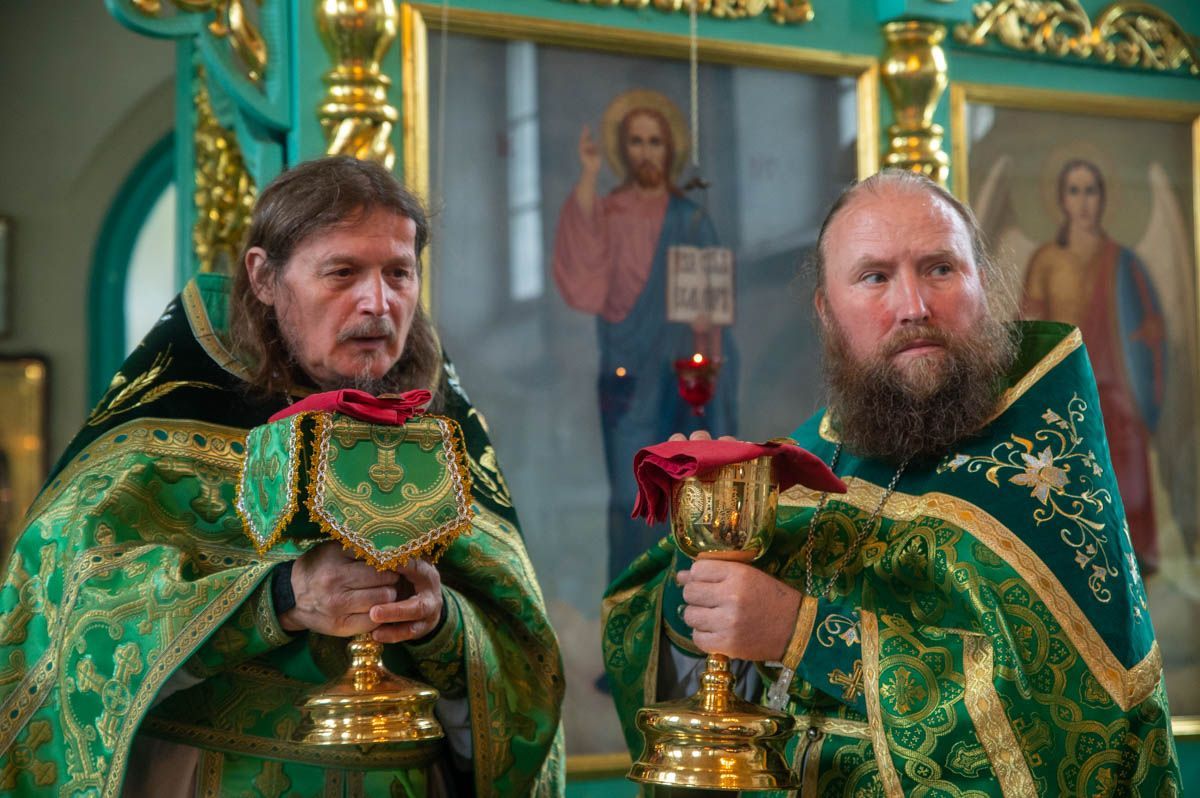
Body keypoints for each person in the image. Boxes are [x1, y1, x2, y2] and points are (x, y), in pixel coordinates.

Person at [0, 156, 564, 797]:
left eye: (399, 273)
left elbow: (522, 667)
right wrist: (281, 599)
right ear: (264, 277)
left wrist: (439, 623)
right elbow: (72, 626)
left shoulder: (440, 423)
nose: (378, 303)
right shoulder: (173, 406)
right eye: (343, 272)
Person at [602, 169, 1179, 795]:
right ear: (826, 311)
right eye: (875, 277)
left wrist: (804, 633)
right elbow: (655, 637)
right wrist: (707, 551)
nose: (913, 306)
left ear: (982, 285)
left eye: (940, 269)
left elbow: (1065, 718)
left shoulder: (1047, 462)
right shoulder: (810, 457)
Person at [553, 89, 738, 584]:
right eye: (636, 142)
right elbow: (584, 270)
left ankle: (686, 598)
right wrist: (589, 175)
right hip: (628, 369)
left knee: (689, 482)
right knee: (630, 490)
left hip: (683, 370)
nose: (646, 152)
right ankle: (630, 600)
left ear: (669, 149)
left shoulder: (690, 217)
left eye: (655, 142)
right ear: (623, 149)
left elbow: (713, 298)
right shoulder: (609, 211)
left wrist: (707, 343)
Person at [1023, 158, 1166, 575]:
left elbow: (1150, 331)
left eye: (1091, 191)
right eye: (1074, 190)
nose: (1083, 201)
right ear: (1061, 199)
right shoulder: (1046, 260)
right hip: (1065, 402)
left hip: (1121, 404)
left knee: (1128, 508)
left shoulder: (1123, 262)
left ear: (1103, 198)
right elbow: (1030, 331)